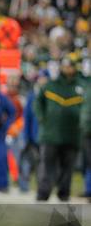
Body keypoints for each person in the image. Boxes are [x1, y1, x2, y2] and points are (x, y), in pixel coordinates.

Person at [34, 56, 83, 202]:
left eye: (70, 66)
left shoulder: (82, 86)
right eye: (65, 66)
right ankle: (43, 193)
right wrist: (42, 118)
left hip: (72, 134)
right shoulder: (51, 85)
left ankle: (64, 193)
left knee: (68, 167)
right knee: (47, 165)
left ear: (75, 68)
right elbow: (38, 103)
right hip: (51, 134)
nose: (67, 69)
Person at [20, 69, 49, 192]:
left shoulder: (51, 96)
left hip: (46, 136)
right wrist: (26, 136)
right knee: (28, 161)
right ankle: (24, 186)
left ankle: (41, 187)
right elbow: (27, 117)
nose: (42, 80)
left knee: (43, 163)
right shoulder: (32, 95)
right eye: (40, 78)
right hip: (33, 135)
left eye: (44, 78)